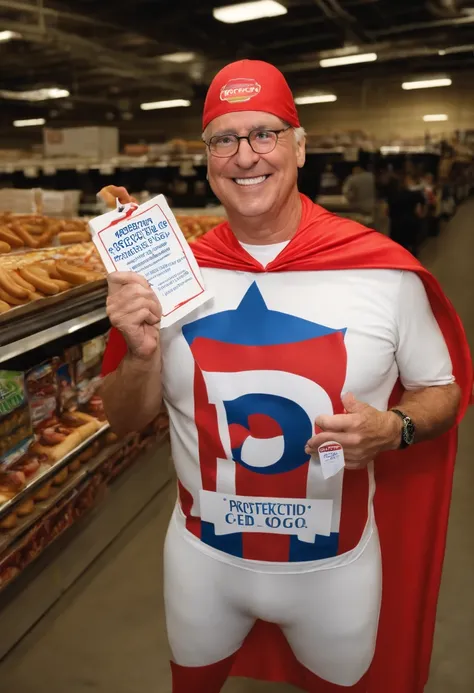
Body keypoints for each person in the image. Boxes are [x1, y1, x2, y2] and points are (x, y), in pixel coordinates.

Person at [98, 60, 471, 693]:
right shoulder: (170, 276)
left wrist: (397, 427)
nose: (245, 156)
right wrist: (137, 355)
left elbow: (444, 388)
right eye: (224, 139)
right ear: (208, 158)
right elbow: (123, 417)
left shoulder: (384, 274)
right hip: (201, 561)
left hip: (337, 569)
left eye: (264, 134)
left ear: (299, 147)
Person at [387, 173, 426, 256]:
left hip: (397, 226)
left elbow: (389, 212)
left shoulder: (392, 197)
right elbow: (423, 200)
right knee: (411, 244)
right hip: (411, 223)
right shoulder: (413, 194)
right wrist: (420, 210)